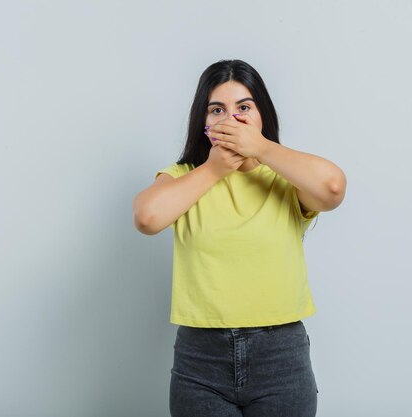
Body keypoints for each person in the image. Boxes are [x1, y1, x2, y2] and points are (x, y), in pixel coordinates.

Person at [132, 59, 346, 417]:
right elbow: (147, 217)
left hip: (281, 357)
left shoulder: (284, 178)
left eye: (244, 107)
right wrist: (214, 169)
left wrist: (260, 148)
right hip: (200, 360)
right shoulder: (184, 177)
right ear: (203, 121)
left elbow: (333, 188)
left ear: (262, 115)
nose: (231, 119)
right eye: (218, 109)